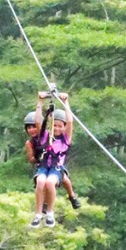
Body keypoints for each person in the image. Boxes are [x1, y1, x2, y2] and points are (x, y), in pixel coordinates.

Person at [27, 90, 77, 228]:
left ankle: (49, 212)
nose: (57, 128)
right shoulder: (45, 136)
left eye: (60, 126)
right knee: (40, 182)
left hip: (56, 169)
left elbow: (70, 121)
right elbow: (38, 121)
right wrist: (40, 101)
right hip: (44, 167)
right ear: (50, 125)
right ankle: (38, 214)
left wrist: (66, 102)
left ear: (64, 127)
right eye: (54, 125)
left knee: (50, 183)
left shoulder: (65, 139)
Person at [24, 111, 81, 212]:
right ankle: (45, 204)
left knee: (64, 179)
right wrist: (38, 156)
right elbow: (31, 159)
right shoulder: (30, 143)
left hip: (56, 163)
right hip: (43, 164)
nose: (32, 130)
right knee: (44, 182)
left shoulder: (48, 136)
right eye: (29, 128)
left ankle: (71, 195)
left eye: (34, 127)